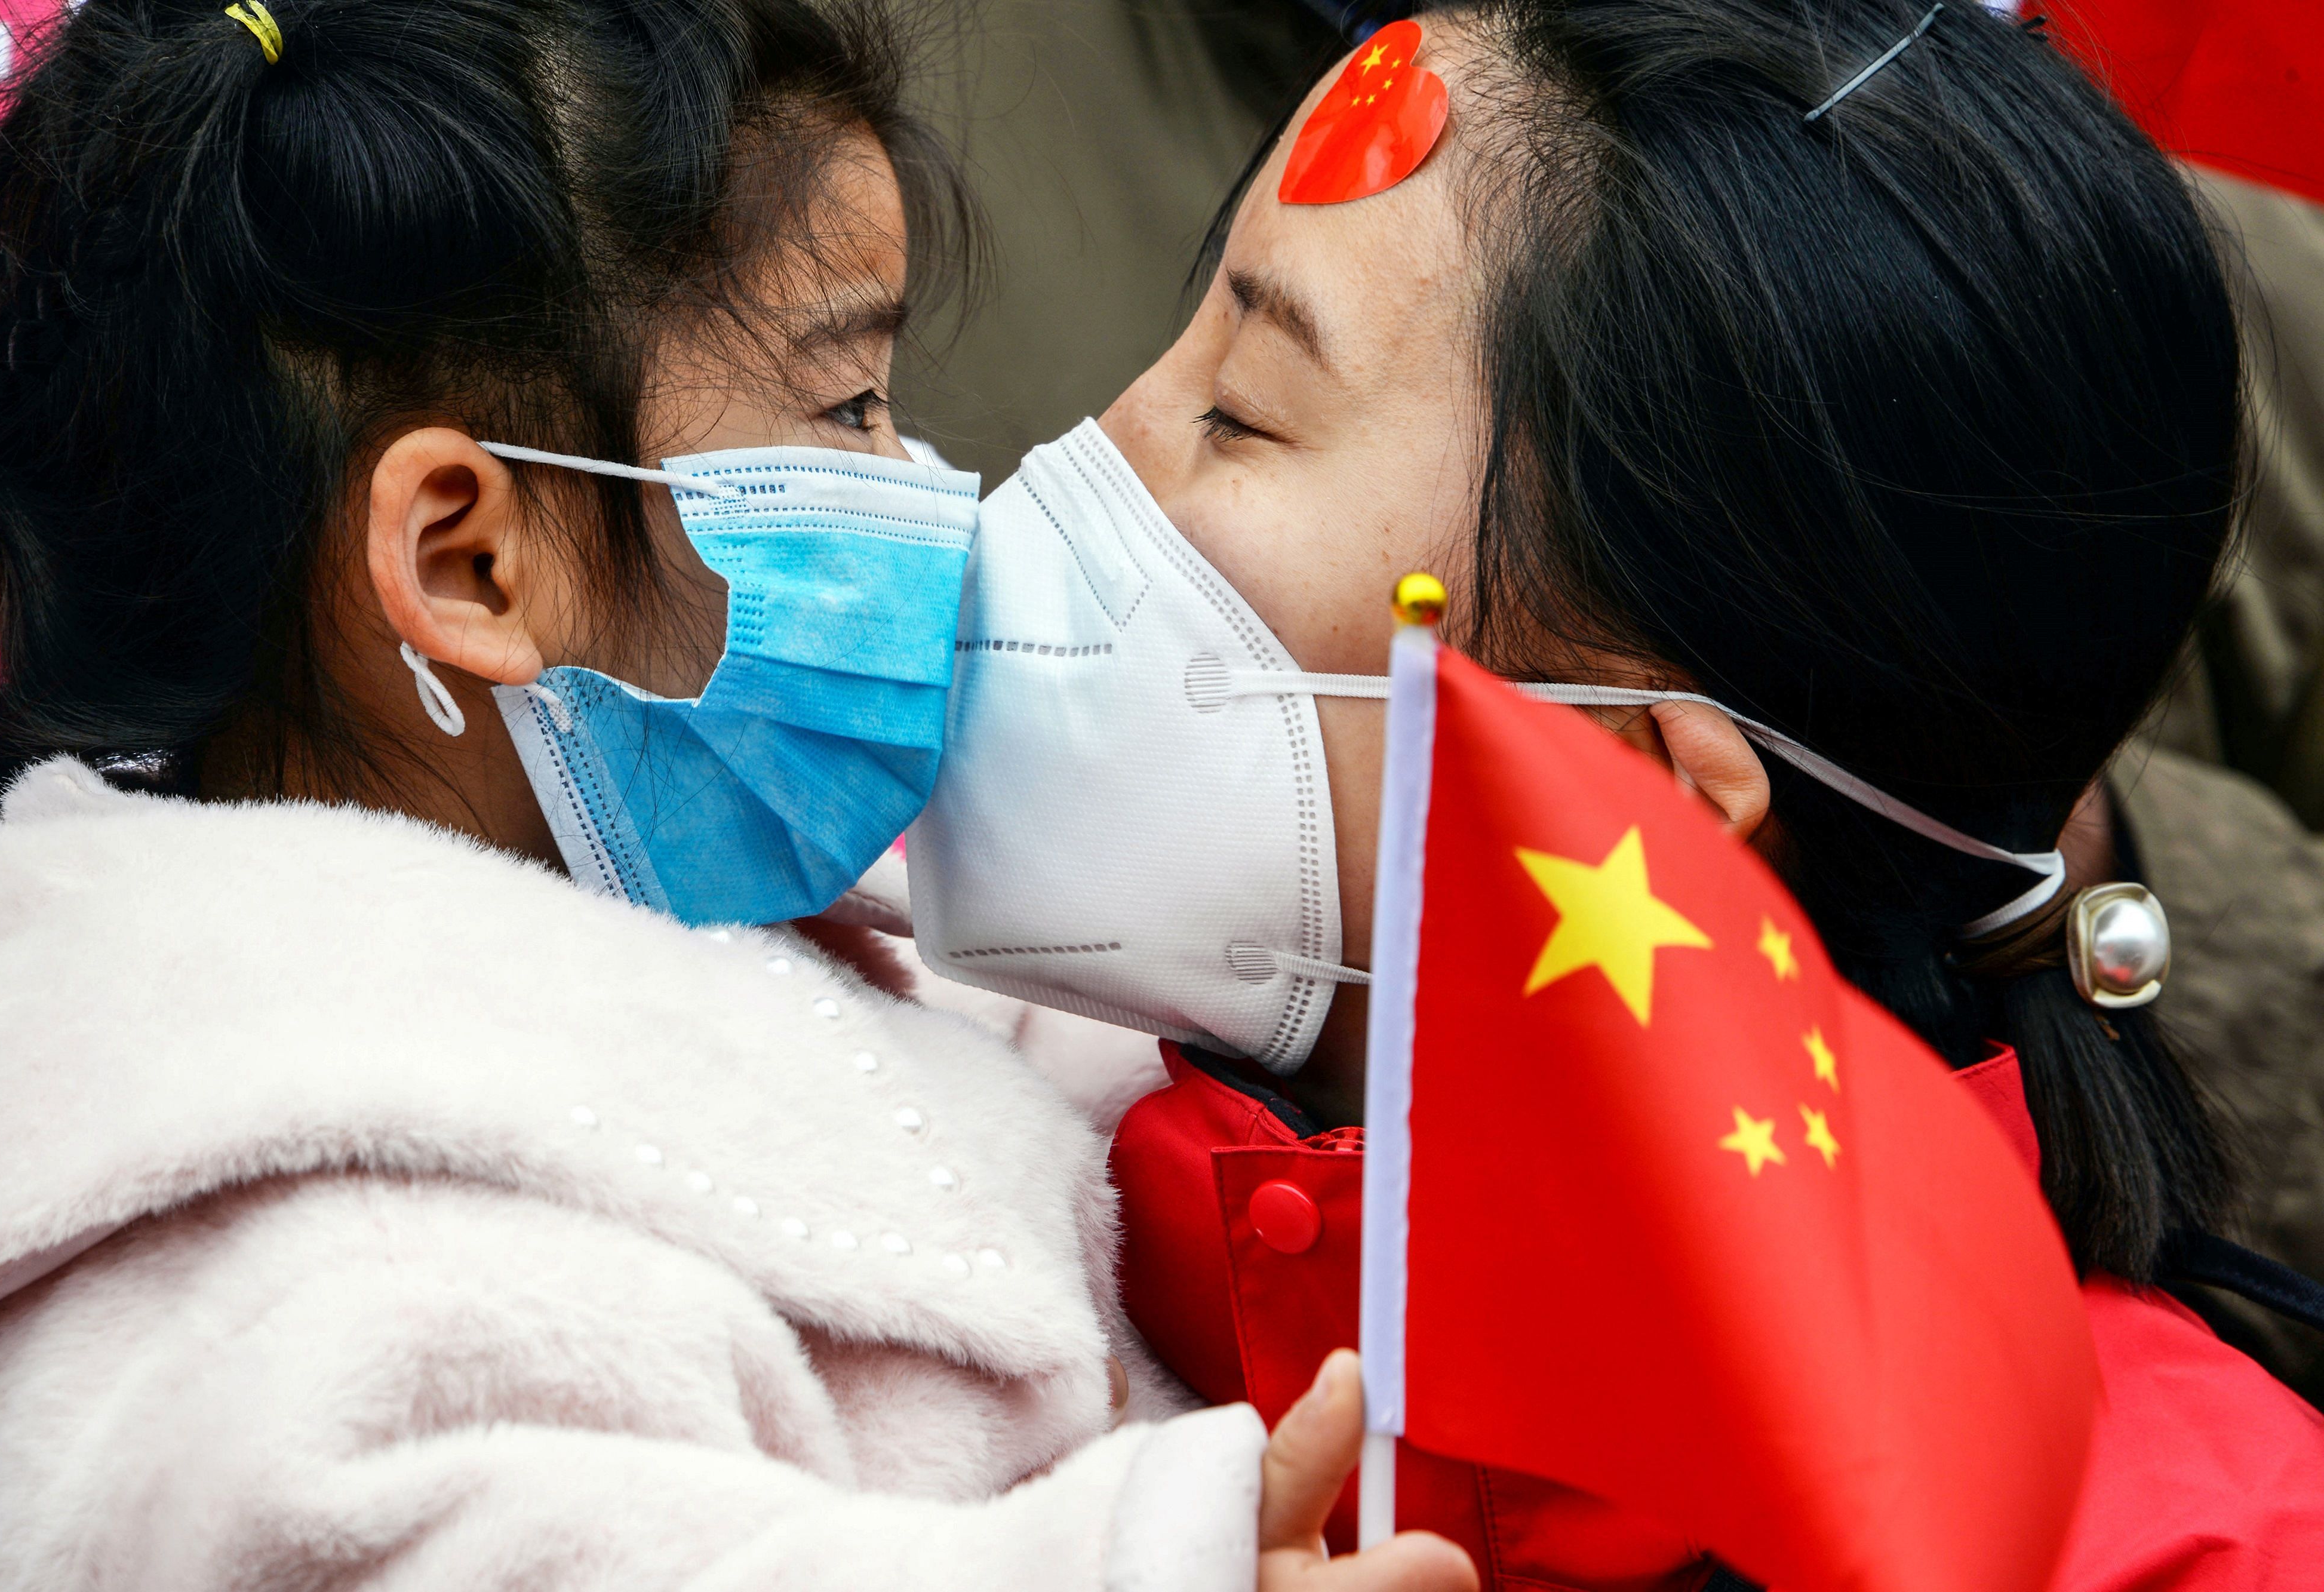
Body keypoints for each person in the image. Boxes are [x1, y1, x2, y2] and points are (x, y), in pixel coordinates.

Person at [0, 4, 1480, 1590]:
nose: (929, 488)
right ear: (472, 558)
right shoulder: (312, 1289)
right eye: (844, 411)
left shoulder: (706, 907)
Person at [900, 1, 2324, 1586]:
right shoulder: (938, 1303)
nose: (1090, 458)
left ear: (1631, 775)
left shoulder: (2198, 1551)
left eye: (1242, 413)